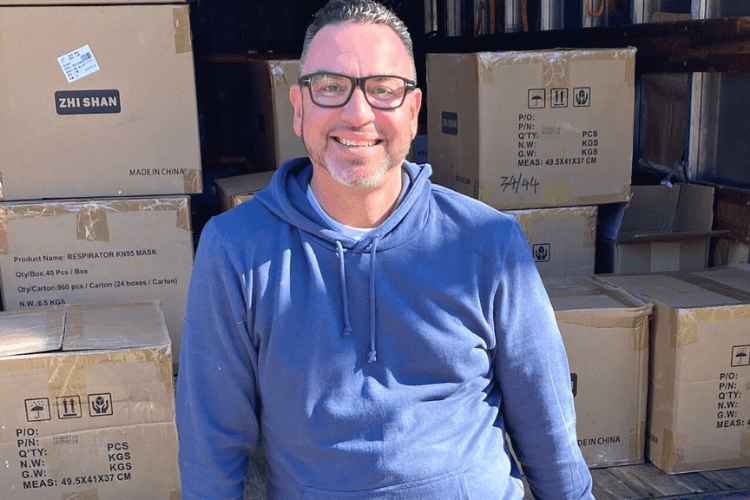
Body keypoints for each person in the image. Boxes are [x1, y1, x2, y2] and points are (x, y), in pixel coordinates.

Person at [175, 0, 594, 498]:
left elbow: (547, 423)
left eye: (383, 90)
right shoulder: (236, 251)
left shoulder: (488, 242)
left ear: (413, 112)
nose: (358, 114)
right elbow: (210, 447)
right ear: (298, 107)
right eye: (331, 88)